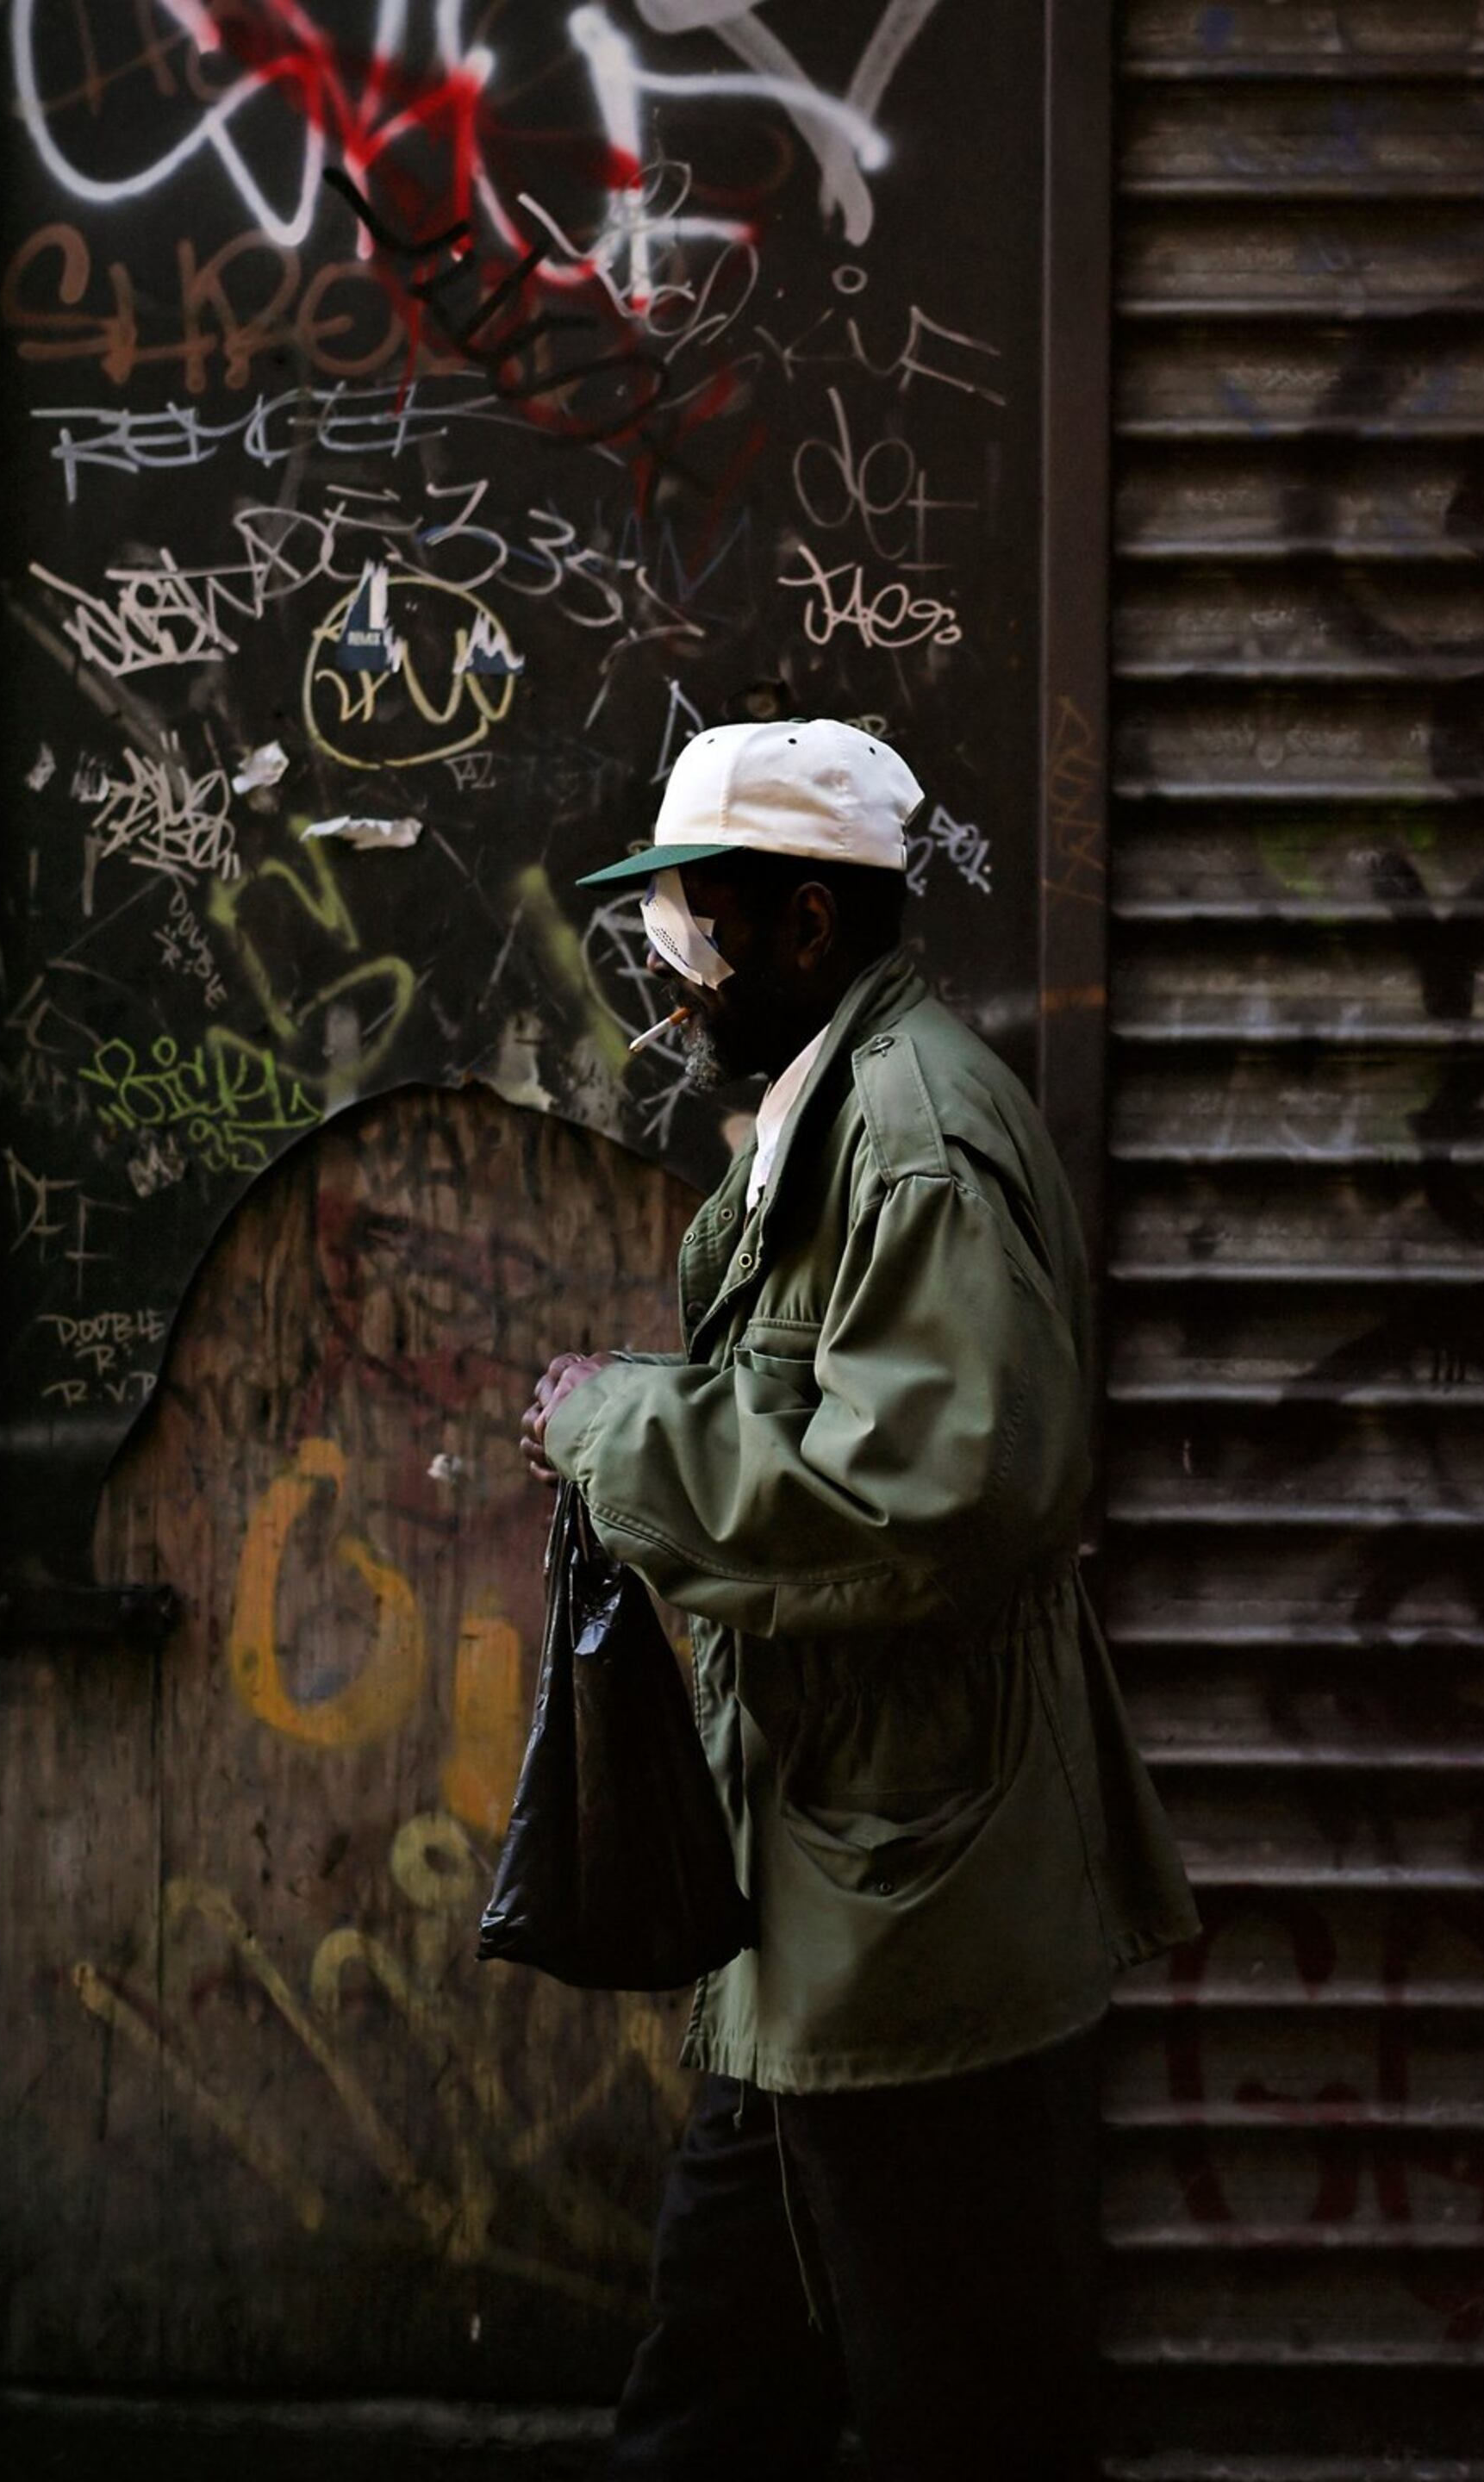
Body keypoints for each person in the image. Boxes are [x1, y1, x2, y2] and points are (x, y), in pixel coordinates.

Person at [521, 719, 1199, 2481]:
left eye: (695, 927)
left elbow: (923, 1501)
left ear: (808, 922)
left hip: (907, 1914)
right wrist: (643, 1415)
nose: (671, 976)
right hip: (836, 1884)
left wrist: (616, 1432)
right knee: (717, 2388)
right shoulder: (838, 1102)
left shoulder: (911, 1133)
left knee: (954, 2414)